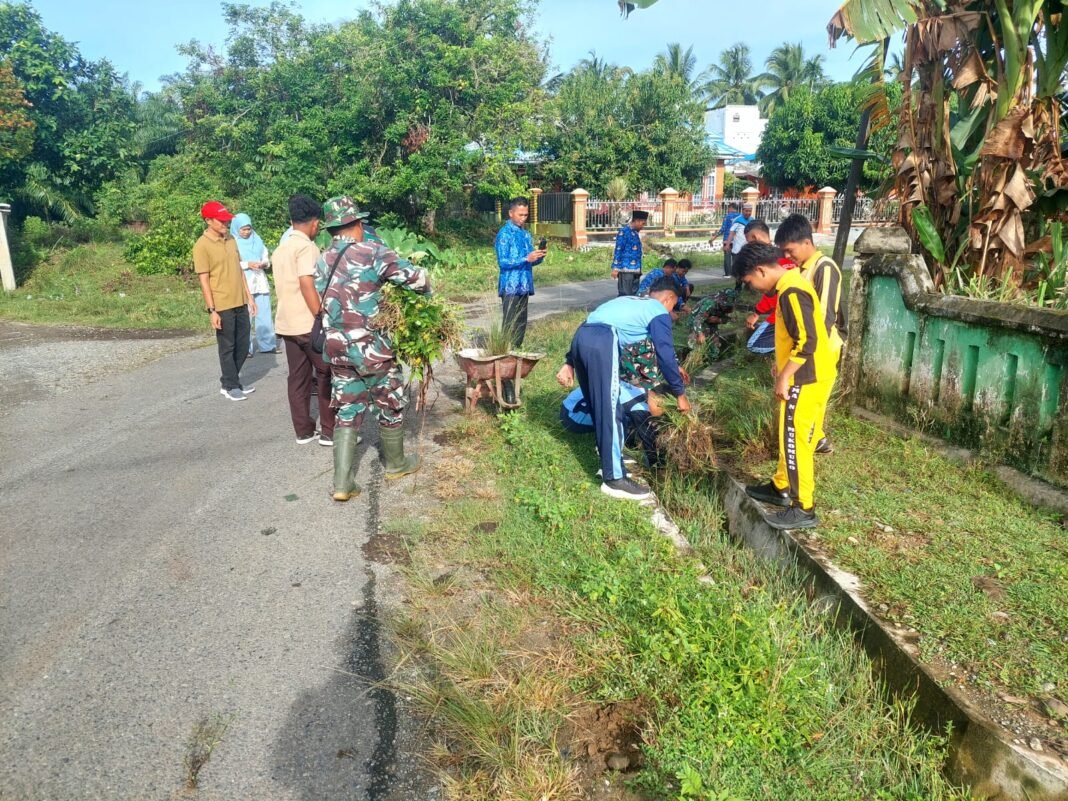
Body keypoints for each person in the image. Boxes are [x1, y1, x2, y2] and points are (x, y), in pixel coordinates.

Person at [315, 196, 431, 502]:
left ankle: (342, 483)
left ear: (331, 229)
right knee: (389, 400)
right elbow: (416, 279)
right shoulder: (373, 251)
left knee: (347, 408)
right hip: (372, 348)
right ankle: (395, 463)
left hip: (337, 348)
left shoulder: (322, 258)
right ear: (355, 224)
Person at [555, 278, 691, 501]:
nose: (670, 312)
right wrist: (680, 394)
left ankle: (609, 461)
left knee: (605, 406)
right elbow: (664, 351)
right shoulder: (658, 310)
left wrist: (569, 361)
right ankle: (614, 480)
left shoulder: (631, 303)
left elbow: (589, 322)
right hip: (602, 342)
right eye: (673, 306)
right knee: (609, 409)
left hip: (583, 337)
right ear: (669, 299)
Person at [735, 242, 836, 530]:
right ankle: (780, 487)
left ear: (761, 270)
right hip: (808, 374)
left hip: (805, 378)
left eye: (750, 281)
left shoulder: (792, 292)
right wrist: (782, 364)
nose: (753, 287)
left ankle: (803, 507)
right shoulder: (790, 285)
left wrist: (784, 376)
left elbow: (808, 341)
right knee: (788, 434)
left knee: (796, 441)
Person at [774, 213, 846, 453]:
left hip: (820, 349)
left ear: (807, 242)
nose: (787, 256)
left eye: (789, 250)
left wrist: (808, 354)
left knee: (814, 401)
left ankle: (812, 442)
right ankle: (813, 439)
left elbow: (824, 317)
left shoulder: (824, 268)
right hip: (808, 350)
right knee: (803, 401)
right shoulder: (802, 269)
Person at [273, 194, 338, 446]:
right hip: (307, 324)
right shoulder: (306, 248)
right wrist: (320, 315)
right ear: (315, 224)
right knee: (325, 374)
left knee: (297, 377)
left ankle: (303, 430)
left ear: (291, 221)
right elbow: (306, 283)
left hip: (286, 323)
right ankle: (330, 431)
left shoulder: (281, 248)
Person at [194, 200, 256, 402]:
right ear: (208, 221)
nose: (225, 224)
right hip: (222, 303)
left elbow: (239, 270)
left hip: (240, 300)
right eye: (220, 221)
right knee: (227, 346)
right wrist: (212, 310)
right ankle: (229, 384)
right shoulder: (201, 246)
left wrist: (249, 296)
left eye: (226, 221)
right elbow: (204, 280)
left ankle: (232, 380)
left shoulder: (231, 239)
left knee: (244, 343)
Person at [495, 196, 545, 404]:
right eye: (520, 214)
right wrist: (526, 258)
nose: (523, 218)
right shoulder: (504, 234)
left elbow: (530, 262)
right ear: (511, 213)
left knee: (520, 326)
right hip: (510, 286)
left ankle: (514, 360)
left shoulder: (525, 234)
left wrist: (538, 256)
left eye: (526, 215)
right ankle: (503, 364)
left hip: (524, 285)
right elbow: (503, 262)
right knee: (509, 326)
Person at [560, 383, 664, 469]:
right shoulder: (638, 409)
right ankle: (612, 452)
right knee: (630, 423)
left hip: (568, 406)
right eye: (660, 406)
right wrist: (657, 463)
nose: (663, 411)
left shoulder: (641, 391)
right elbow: (648, 440)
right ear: (652, 394)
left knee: (626, 418)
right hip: (573, 418)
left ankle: (623, 445)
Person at [741, 220, 796, 356]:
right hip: (780, 314)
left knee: (754, 345)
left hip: (781, 316)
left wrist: (757, 312)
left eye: (750, 282)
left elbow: (772, 294)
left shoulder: (776, 262)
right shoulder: (784, 255)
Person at [230, 213, 279, 357]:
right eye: (243, 229)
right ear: (236, 229)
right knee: (246, 317)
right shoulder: (233, 243)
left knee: (264, 314)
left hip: (259, 281)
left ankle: (268, 344)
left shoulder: (256, 240)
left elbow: (265, 256)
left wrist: (264, 263)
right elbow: (232, 263)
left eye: (248, 229)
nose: (246, 232)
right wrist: (247, 264)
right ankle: (245, 348)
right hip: (245, 283)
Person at [611, 210, 648, 296]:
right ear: (637, 221)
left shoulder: (635, 233)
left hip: (636, 271)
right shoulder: (624, 232)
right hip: (626, 270)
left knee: (634, 296)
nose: (643, 226)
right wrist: (615, 268)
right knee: (625, 295)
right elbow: (618, 250)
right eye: (643, 223)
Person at [725, 201, 755, 288]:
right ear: (743, 211)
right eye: (746, 211)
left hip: (748, 250)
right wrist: (727, 244)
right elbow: (731, 233)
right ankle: (738, 286)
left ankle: (748, 286)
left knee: (748, 268)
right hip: (737, 250)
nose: (748, 213)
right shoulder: (737, 220)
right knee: (738, 269)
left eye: (750, 211)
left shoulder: (752, 220)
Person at [714, 202, 741, 277]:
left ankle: (728, 273)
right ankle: (735, 273)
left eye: (728, 208)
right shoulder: (740, 216)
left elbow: (723, 229)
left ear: (731, 208)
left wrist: (714, 238)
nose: (728, 210)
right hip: (737, 239)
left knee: (727, 257)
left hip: (727, 239)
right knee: (736, 257)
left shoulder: (727, 216)